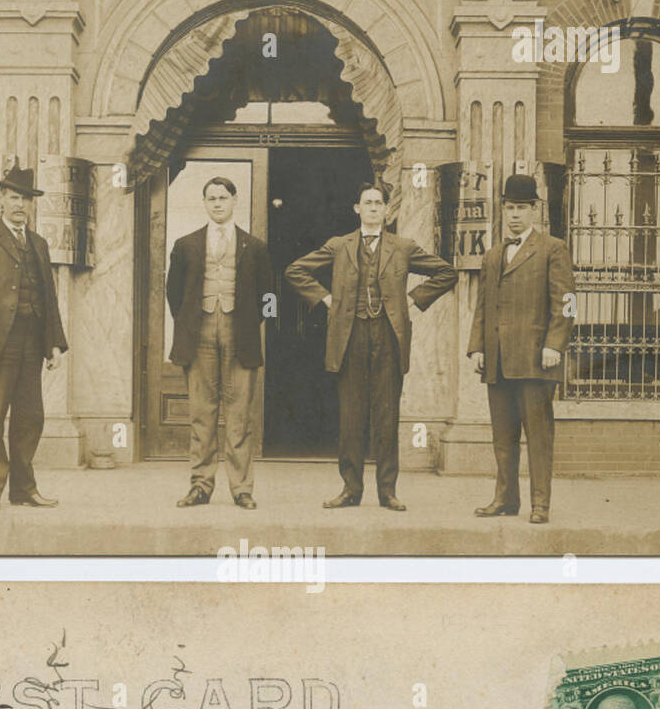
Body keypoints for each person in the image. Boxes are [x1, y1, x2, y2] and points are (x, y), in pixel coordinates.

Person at [285, 182, 456, 511]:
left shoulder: (403, 246)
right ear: (357, 209)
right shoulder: (339, 246)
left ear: (387, 210)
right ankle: (351, 489)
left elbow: (446, 272)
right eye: (368, 203)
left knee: (386, 417)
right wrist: (326, 298)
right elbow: (296, 270)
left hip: (389, 337)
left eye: (379, 203)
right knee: (351, 417)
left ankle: (387, 491)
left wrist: (413, 299)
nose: (374, 208)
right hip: (349, 338)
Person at [0, 160, 68, 512]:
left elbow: (48, 297)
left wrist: (53, 342)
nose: (20, 205)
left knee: (30, 417)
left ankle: (23, 489)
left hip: (32, 344)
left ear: (31, 204)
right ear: (1, 200)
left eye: (26, 199)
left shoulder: (37, 243)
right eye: (13, 197)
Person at [468, 173, 575, 525]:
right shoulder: (494, 254)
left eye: (521, 208)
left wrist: (554, 346)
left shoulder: (553, 248)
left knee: (539, 436)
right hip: (498, 360)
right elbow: (483, 304)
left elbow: (567, 303)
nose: (514, 215)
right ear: (503, 210)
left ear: (535, 210)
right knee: (503, 436)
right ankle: (505, 499)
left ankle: (540, 503)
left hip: (536, 359)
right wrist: (477, 348)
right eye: (510, 208)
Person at [166, 177, 273, 510]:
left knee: (239, 416)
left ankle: (242, 488)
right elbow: (173, 292)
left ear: (234, 200)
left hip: (240, 333)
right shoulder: (186, 245)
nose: (217, 203)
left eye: (223, 197)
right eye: (211, 198)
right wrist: (188, 321)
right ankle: (200, 485)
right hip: (198, 333)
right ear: (204, 203)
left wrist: (254, 323)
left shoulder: (255, 246)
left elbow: (270, 294)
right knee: (202, 414)